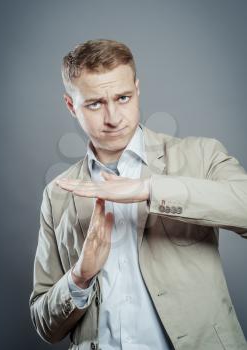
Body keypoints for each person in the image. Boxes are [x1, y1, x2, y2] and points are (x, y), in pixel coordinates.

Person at [29, 39, 247, 350]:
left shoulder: (200, 155)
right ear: (70, 105)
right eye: (94, 103)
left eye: (123, 97)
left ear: (137, 89)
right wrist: (80, 276)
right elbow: (43, 324)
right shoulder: (56, 194)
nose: (113, 117)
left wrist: (149, 189)